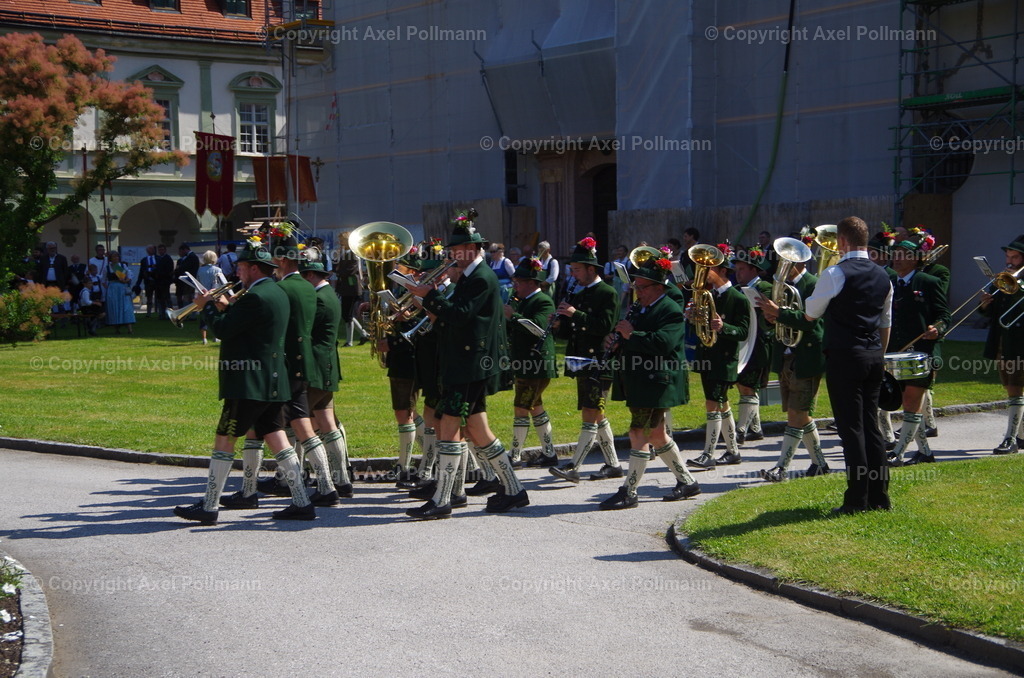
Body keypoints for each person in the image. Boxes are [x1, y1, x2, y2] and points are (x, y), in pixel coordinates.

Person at [172, 241, 312, 524]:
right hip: (272, 378)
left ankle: (209, 506)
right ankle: (302, 501)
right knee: (277, 437)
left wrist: (207, 307)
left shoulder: (255, 296)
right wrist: (227, 306)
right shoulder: (276, 292)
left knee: (225, 438)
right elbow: (249, 325)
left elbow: (224, 330)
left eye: (241, 266)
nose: (237, 271)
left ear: (253, 268)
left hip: (249, 381)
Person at [405, 207, 528, 519]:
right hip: (466, 362)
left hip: (471, 364)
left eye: (456, 250)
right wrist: (428, 298)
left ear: (472, 250)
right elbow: (456, 315)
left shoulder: (481, 278)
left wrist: (429, 296)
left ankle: (443, 499)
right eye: (452, 250)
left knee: (449, 426)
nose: (451, 256)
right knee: (477, 429)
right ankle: (514, 490)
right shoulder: (472, 277)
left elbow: (459, 315)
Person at [800, 216, 894, 514]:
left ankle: (856, 500)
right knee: (872, 427)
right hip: (873, 355)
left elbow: (811, 313)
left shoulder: (834, 273)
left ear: (841, 241)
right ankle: (879, 496)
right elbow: (885, 323)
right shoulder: (884, 276)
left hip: (845, 356)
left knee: (851, 429)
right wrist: (879, 355)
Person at [242, 224, 338, 512]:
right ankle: (326, 485)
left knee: (262, 428)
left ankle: (253, 491)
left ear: (282, 261)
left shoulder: (281, 288)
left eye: (274, 260)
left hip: (281, 366)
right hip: (302, 364)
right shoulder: (308, 288)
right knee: (305, 429)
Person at [599, 252, 700, 509]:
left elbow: (664, 344)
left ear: (658, 287)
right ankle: (687, 481)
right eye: (635, 286)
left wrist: (632, 335)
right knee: (656, 434)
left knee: (638, 432)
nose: (637, 291)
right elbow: (632, 338)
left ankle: (629, 490)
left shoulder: (670, 310)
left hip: (658, 380)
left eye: (641, 287)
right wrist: (616, 341)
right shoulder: (641, 307)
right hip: (642, 379)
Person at [546, 237, 623, 482]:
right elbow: (572, 330)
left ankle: (574, 466)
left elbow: (604, 327)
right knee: (596, 413)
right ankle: (613, 464)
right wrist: (558, 324)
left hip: (599, 361)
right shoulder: (579, 293)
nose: (573, 274)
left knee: (591, 412)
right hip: (581, 361)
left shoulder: (607, 293)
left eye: (577, 270)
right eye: (572, 270)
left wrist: (574, 314)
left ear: (591, 269)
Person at [756, 245, 830, 481]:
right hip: (786, 354)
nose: (780, 267)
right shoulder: (783, 287)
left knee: (796, 414)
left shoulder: (814, 284)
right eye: (779, 262)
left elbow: (811, 322)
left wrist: (779, 313)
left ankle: (781, 467)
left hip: (806, 357)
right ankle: (820, 463)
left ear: (799, 263)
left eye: (784, 262)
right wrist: (770, 317)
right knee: (799, 413)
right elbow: (778, 321)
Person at [884, 239, 949, 466]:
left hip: (922, 353)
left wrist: (936, 329)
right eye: (895, 253)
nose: (897, 258)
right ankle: (925, 453)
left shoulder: (929, 282)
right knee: (908, 402)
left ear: (915, 259)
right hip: (894, 353)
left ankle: (899, 453)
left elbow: (944, 315)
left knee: (911, 401)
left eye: (903, 254)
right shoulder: (889, 281)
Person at [686, 244, 751, 469]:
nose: (702, 273)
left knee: (713, 403)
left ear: (722, 271)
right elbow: (701, 327)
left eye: (707, 269)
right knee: (721, 404)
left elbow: (743, 332)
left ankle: (709, 453)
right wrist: (693, 317)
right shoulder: (708, 295)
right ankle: (733, 451)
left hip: (724, 359)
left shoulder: (738, 298)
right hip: (708, 355)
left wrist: (724, 327)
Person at [298, 247, 352, 497]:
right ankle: (341, 480)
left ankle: (310, 479)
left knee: (298, 423)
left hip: (316, 368)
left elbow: (304, 333)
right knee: (327, 423)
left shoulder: (318, 299)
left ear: (310, 276)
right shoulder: (328, 294)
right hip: (328, 365)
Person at [503, 257, 559, 467]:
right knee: (535, 406)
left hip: (537, 363)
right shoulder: (521, 300)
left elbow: (539, 328)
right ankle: (549, 452)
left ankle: (515, 455)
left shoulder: (543, 301)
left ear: (531, 282)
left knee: (521, 407)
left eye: (519, 281)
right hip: (524, 362)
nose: (515, 285)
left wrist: (514, 316)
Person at [980, 234, 1024, 454]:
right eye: (1008, 256)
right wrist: (986, 304)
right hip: (1002, 341)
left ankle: (1011, 438)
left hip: (1020, 343)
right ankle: (1022, 435)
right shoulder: (1005, 278)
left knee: (1015, 389)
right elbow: (995, 313)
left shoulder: (1017, 281)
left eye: (1014, 257)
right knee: (1010, 387)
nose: (1009, 261)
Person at [732, 246, 772, 445]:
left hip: (758, 344)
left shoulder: (764, 287)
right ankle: (755, 428)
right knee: (743, 385)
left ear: (754, 270)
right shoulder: (738, 290)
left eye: (742, 270)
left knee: (748, 386)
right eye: (736, 270)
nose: (738, 274)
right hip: (745, 342)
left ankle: (740, 430)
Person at [335, 231, 369, 347]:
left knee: (347, 315)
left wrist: (338, 271)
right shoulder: (345, 254)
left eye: (342, 240)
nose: (340, 242)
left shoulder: (353, 254)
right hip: (346, 288)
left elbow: (350, 271)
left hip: (352, 288)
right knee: (348, 314)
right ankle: (364, 334)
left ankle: (350, 341)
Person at [196, 251, 225, 345]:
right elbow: (221, 283)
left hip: (203, 294)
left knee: (203, 316)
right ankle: (215, 336)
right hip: (214, 294)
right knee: (215, 314)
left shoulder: (200, 270)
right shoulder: (218, 270)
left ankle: (204, 339)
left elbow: (197, 282)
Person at [104, 250, 135, 334]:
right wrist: (108, 288)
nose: (116, 258)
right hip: (113, 289)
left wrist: (126, 280)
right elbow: (103, 280)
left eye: (117, 256)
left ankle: (129, 328)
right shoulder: (107, 267)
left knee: (125, 307)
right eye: (114, 256)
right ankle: (116, 328)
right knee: (115, 307)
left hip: (122, 288)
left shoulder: (122, 265)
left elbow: (129, 274)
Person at [153, 244, 174, 316]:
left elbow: (169, 270)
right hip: (158, 281)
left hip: (165, 281)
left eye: (162, 250)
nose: (160, 251)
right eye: (159, 250)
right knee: (160, 298)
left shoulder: (168, 258)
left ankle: (170, 313)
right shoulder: (158, 258)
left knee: (166, 298)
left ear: (165, 250)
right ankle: (161, 313)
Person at [138, 245, 158, 316]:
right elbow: (141, 271)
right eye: (149, 249)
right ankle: (148, 312)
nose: (150, 251)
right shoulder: (144, 260)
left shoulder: (158, 258)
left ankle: (159, 311)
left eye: (152, 249)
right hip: (148, 280)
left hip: (157, 279)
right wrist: (138, 282)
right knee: (149, 297)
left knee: (159, 296)